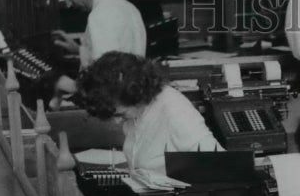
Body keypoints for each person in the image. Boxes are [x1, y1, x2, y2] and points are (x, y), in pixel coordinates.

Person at [74, 51, 222, 175]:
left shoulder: (175, 110)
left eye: (120, 114)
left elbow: (221, 164)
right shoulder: (139, 110)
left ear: (138, 96)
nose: (117, 122)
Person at [50, 0, 147, 105]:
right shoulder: (127, 7)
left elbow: (106, 79)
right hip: (131, 100)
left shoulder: (100, 15)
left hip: (113, 107)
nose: (69, 4)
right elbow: (122, 56)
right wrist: (81, 49)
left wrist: (67, 85)